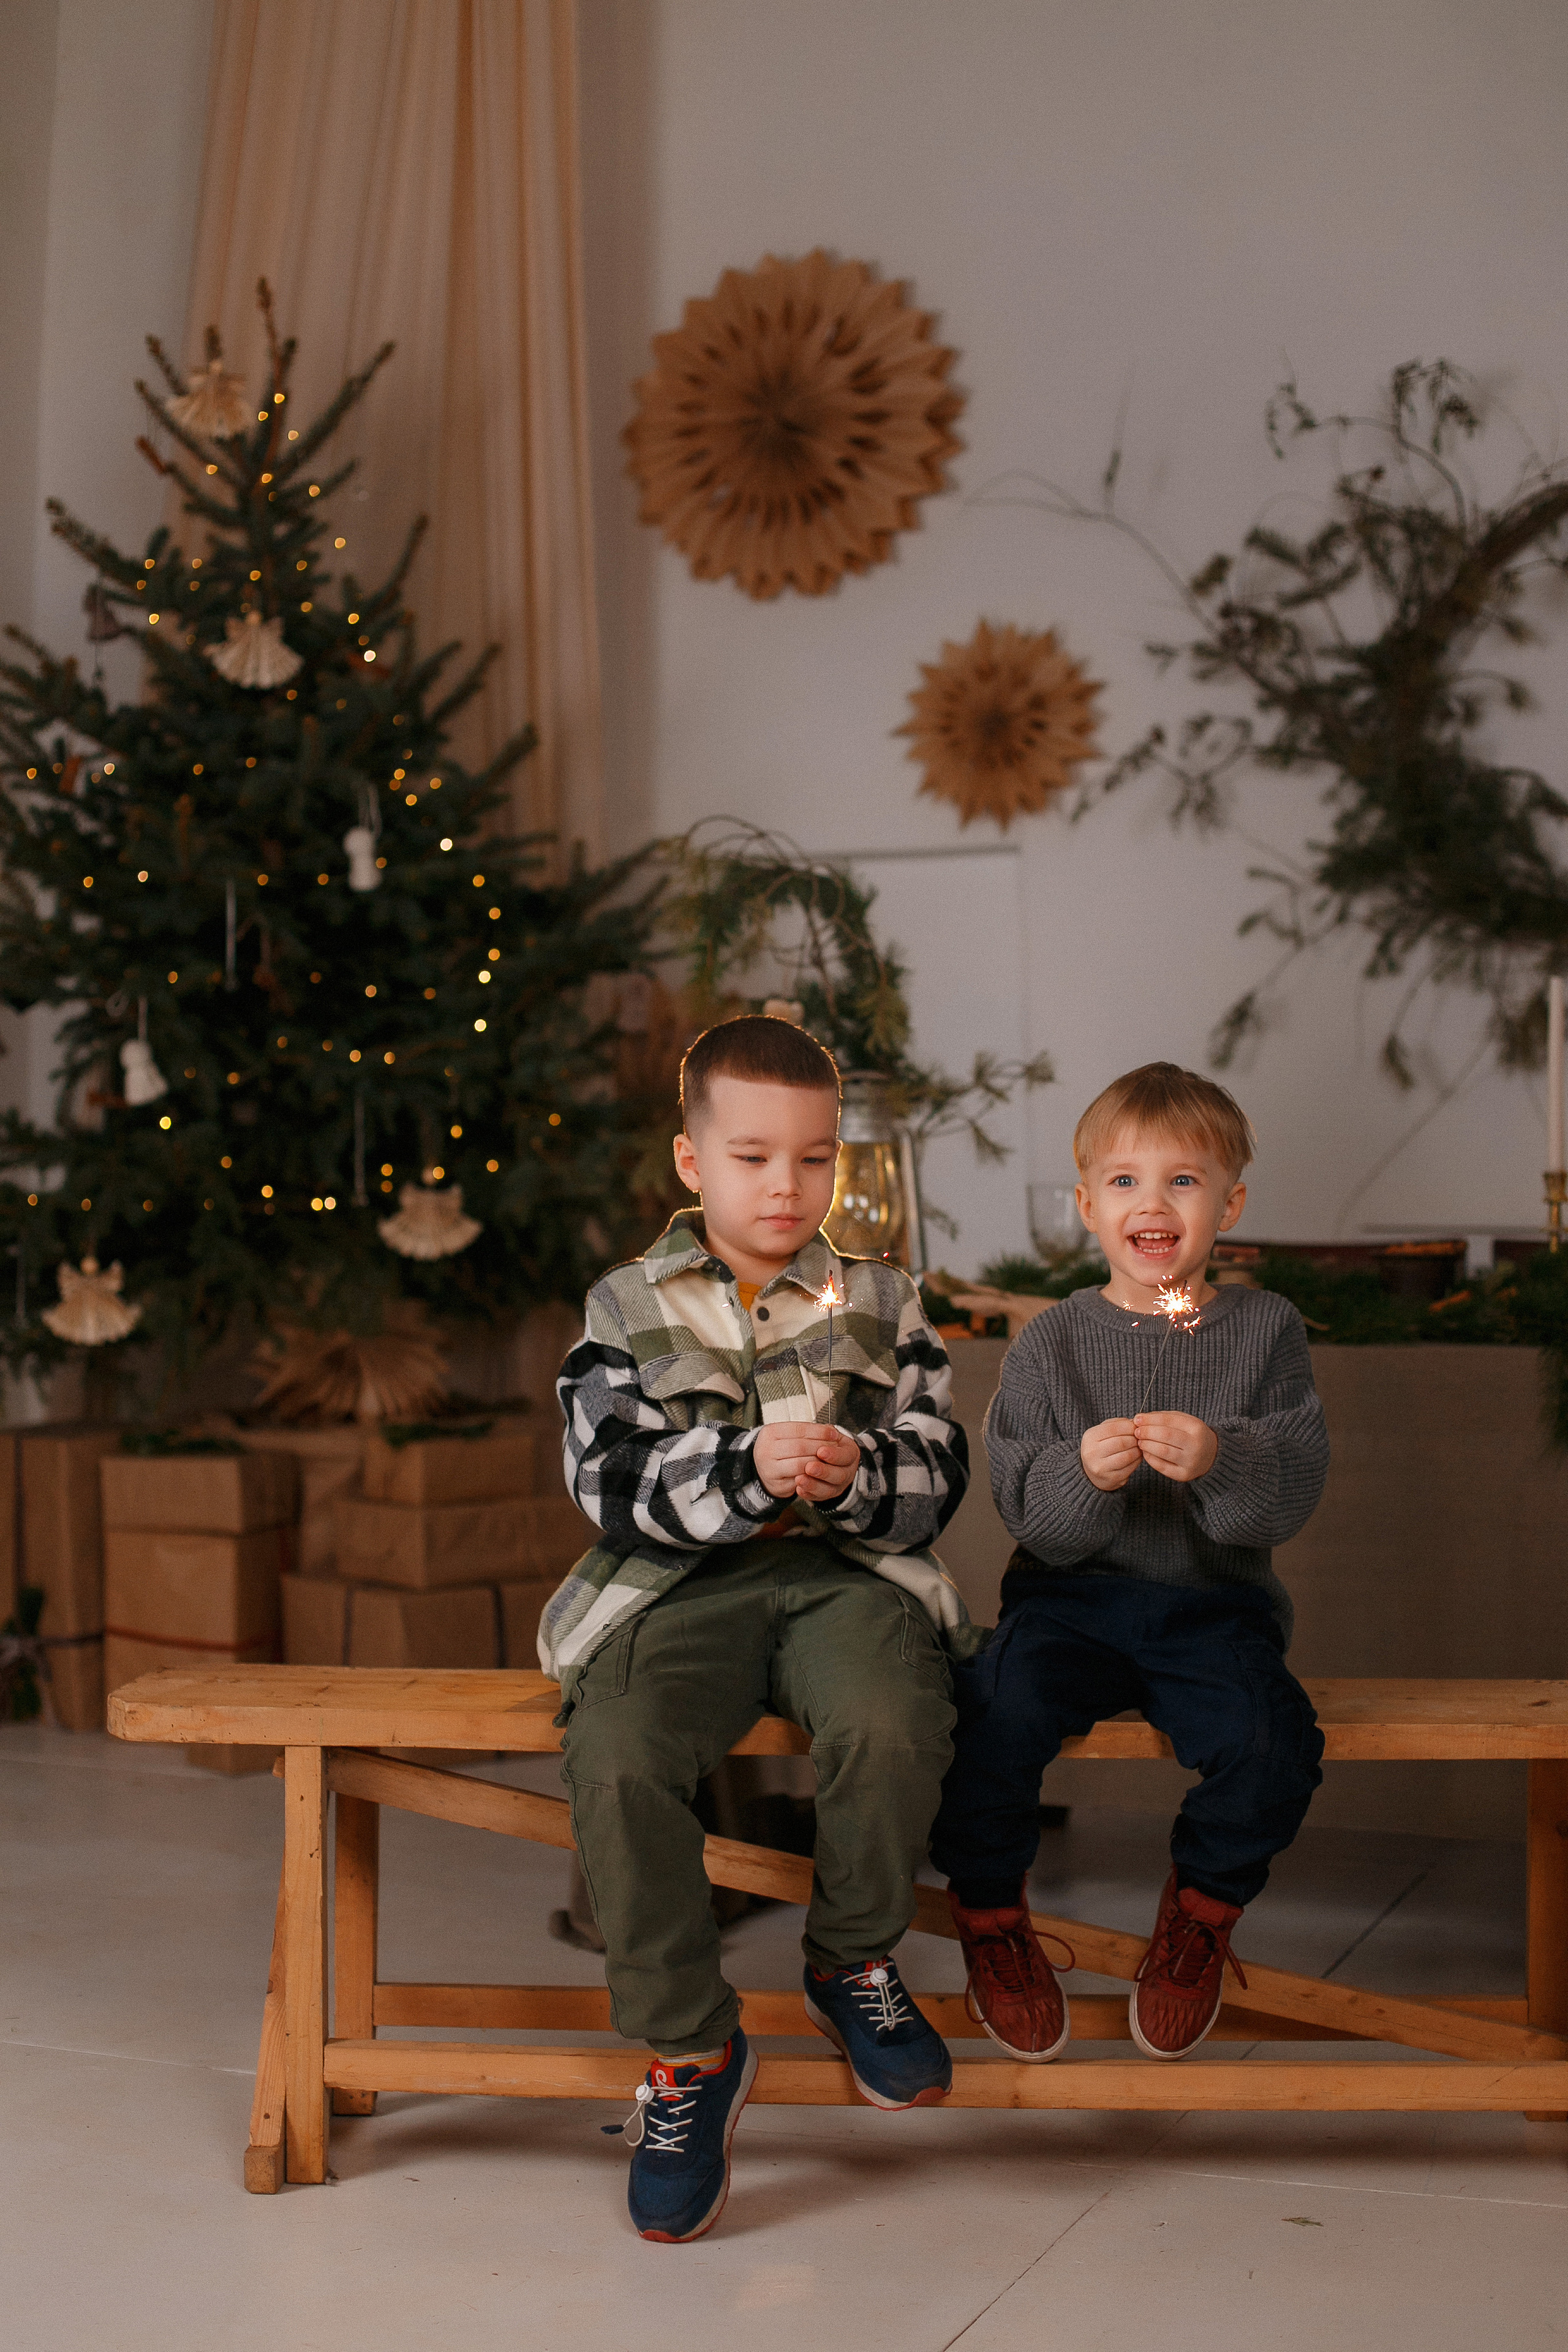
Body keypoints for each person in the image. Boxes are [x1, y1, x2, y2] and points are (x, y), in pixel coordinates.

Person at [543, 1013, 976, 2243]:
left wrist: (856, 1473)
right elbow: (602, 1476)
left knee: (893, 1719)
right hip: (677, 1584)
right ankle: (690, 2050)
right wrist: (741, 1468)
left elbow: (939, 1463)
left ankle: (851, 1962)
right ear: (693, 1162)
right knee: (616, 1752)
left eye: (813, 1158)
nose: (786, 1185)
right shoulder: (627, 1303)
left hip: (844, 1575)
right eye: (751, 1157)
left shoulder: (883, 1299)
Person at [931, 1061, 1329, 2065]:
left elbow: (1293, 1483)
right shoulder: (1051, 1342)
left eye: (1183, 1181)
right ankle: (991, 1917)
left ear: (1229, 1205)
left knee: (1273, 1740)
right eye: (1124, 1181)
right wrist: (1081, 1475)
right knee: (988, 1714)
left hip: (1212, 1608)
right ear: (1087, 1207)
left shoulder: (1265, 1331)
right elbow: (1029, 1511)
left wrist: (1221, 1456)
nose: (1153, 1204)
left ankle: (1201, 1913)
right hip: (1069, 1603)